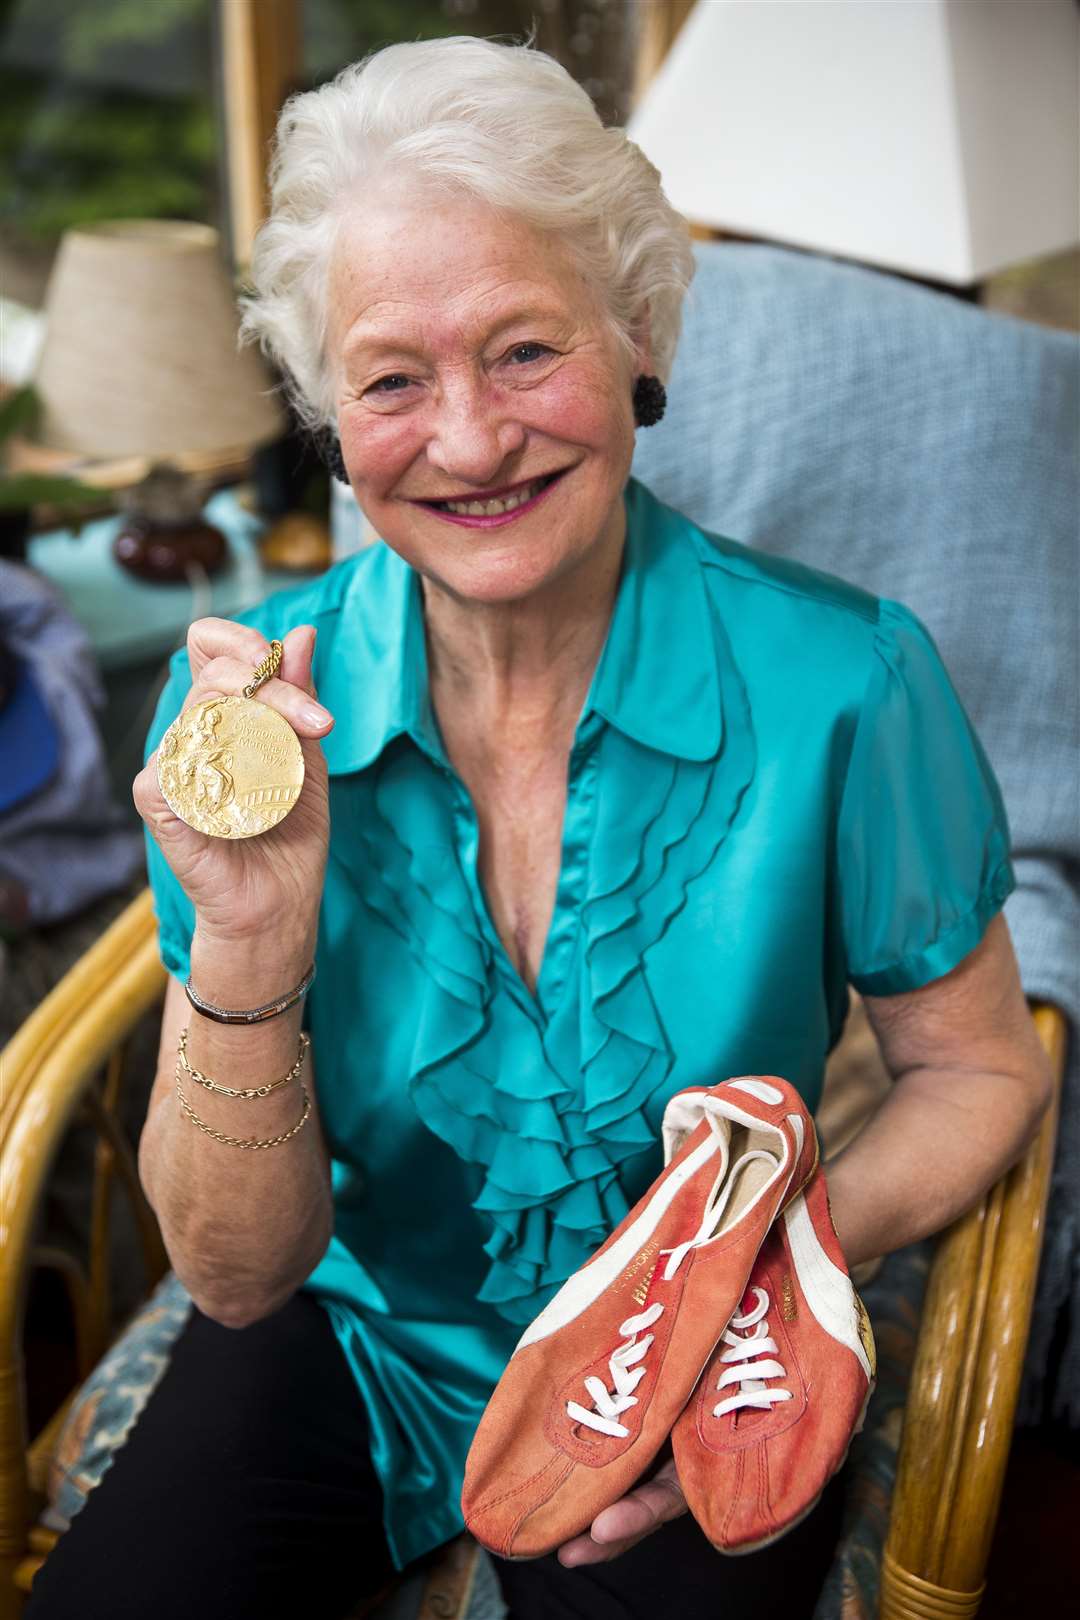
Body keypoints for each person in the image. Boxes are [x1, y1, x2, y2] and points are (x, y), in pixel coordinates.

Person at [26, 35, 1052, 1620]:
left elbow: (980, 1066)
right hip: (366, 1329)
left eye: (523, 351)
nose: (470, 439)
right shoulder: (241, 729)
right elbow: (237, 1277)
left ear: (637, 335)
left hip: (696, 1348)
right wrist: (247, 941)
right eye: (389, 379)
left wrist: (743, 1271)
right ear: (325, 413)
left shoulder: (850, 681)